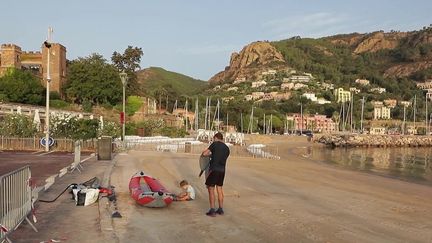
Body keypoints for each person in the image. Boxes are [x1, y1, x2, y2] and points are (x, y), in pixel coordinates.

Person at [202, 132, 230, 217]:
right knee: (219, 189)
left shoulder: (214, 144)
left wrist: (208, 153)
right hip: (222, 170)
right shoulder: (227, 148)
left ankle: (212, 210)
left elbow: (205, 154)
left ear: (216, 138)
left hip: (213, 169)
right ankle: (221, 209)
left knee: (211, 189)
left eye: (213, 139)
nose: (213, 140)